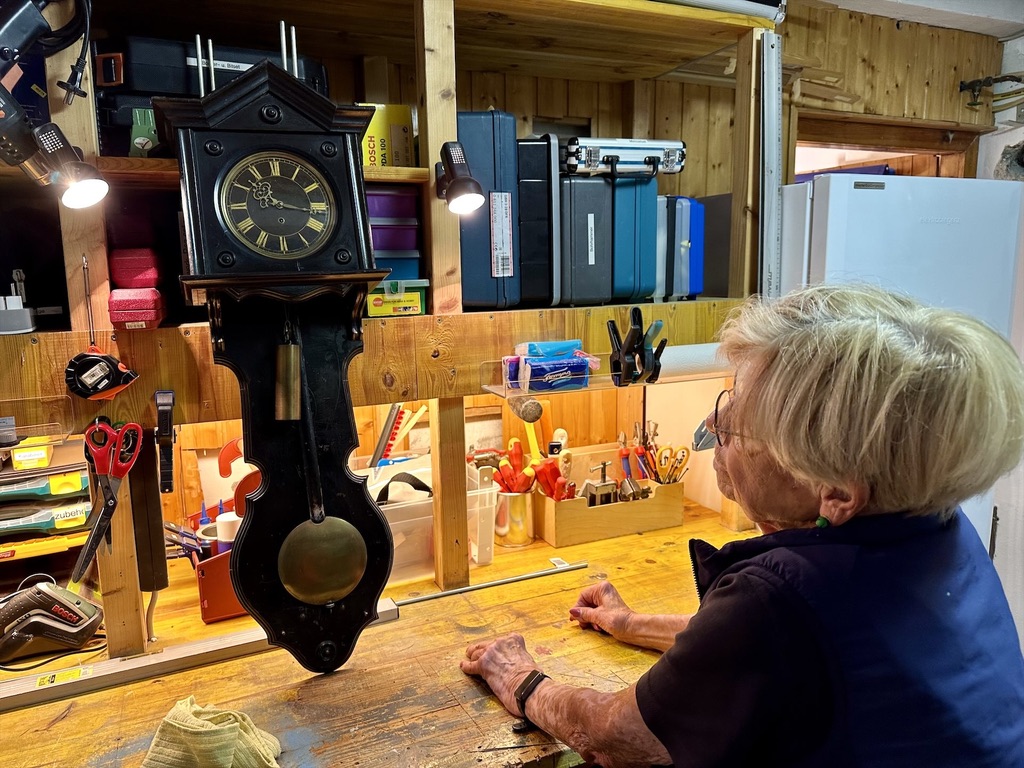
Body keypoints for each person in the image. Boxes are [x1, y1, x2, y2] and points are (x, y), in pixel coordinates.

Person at [460, 283, 1024, 768]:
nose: (714, 423)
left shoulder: (776, 597)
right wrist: (631, 623)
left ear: (835, 490)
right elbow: (760, 656)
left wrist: (522, 679)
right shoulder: (939, 530)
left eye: (740, 416)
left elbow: (617, 736)